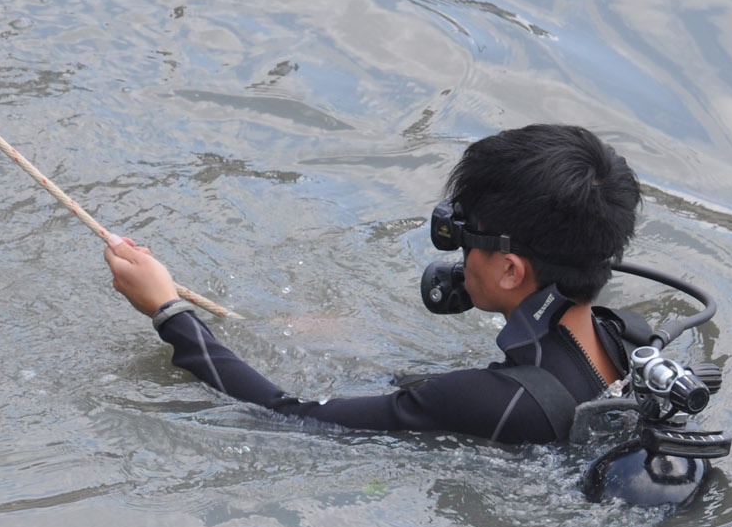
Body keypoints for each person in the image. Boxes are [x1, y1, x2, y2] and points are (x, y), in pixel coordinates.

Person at [102, 124, 647, 445]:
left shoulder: (491, 401)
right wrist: (371, 363)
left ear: (510, 270)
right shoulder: (626, 340)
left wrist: (169, 312)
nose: (460, 253)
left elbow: (284, 415)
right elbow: (470, 398)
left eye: (465, 236)